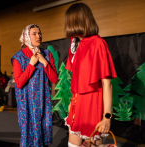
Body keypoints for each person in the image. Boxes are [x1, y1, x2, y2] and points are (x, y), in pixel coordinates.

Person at [64, 3, 117, 147]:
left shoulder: (98, 43)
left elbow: (107, 84)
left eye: (69, 21)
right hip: (77, 102)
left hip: (93, 103)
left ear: (77, 21)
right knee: (73, 144)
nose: (67, 25)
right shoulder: (75, 44)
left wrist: (107, 117)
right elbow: (77, 79)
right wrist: (72, 101)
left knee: (94, 143)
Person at [11, 24, 58, 147]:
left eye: (39, 33)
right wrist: (31, 64)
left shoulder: (47, 54)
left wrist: (45, 62)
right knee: (29, 135)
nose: (39, 36)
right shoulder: (18, 57)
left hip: (43, 102)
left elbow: (54, 78)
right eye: (34, 33)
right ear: (27, 37)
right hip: (27, 104)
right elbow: (19, 83)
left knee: (44, 131)